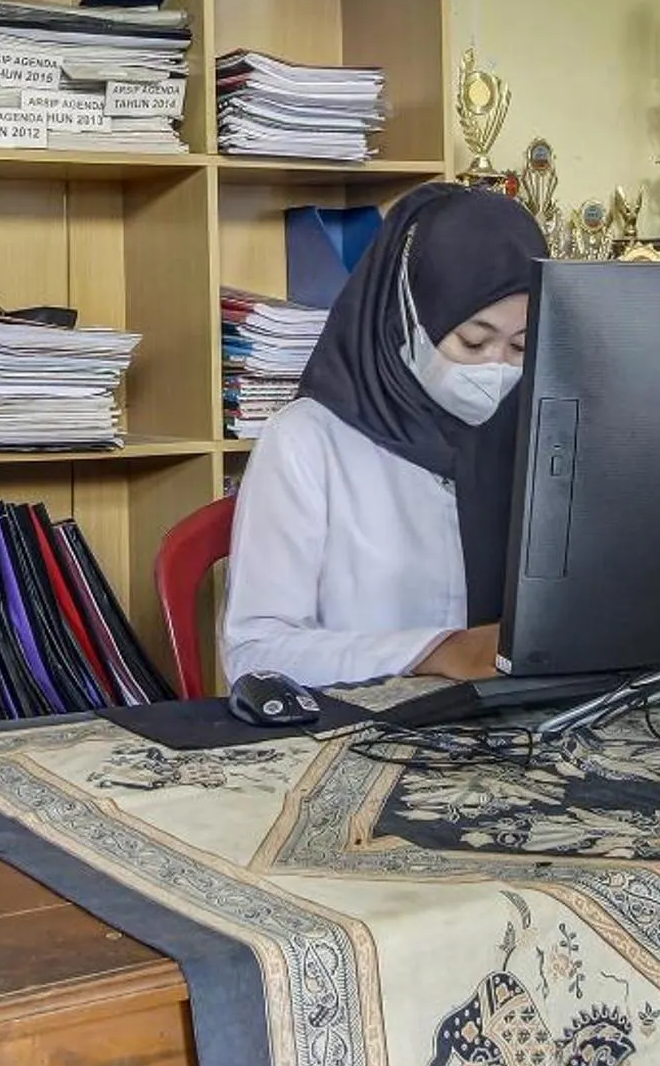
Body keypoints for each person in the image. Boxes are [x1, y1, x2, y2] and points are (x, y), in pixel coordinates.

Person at [221, 184, 545, 688]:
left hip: (506, 730)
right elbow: (255, 652)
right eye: (474, 340)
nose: (495, 369)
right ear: (406, 313)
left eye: (520, 347)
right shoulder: (308, 440)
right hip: (355, 733)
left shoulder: (537, 435)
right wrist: (434, 651)